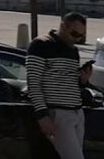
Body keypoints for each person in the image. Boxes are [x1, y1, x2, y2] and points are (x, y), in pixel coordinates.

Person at [26, 12, 91, 159]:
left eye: (81, 36)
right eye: (74, 34)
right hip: (58, 113)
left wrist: (83, 80)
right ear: (63, 26)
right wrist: (42, 115)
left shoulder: (73, 50)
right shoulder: (41, 45)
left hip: (76, 112)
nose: (77, 39)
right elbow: (33, 82)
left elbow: (70, 82)